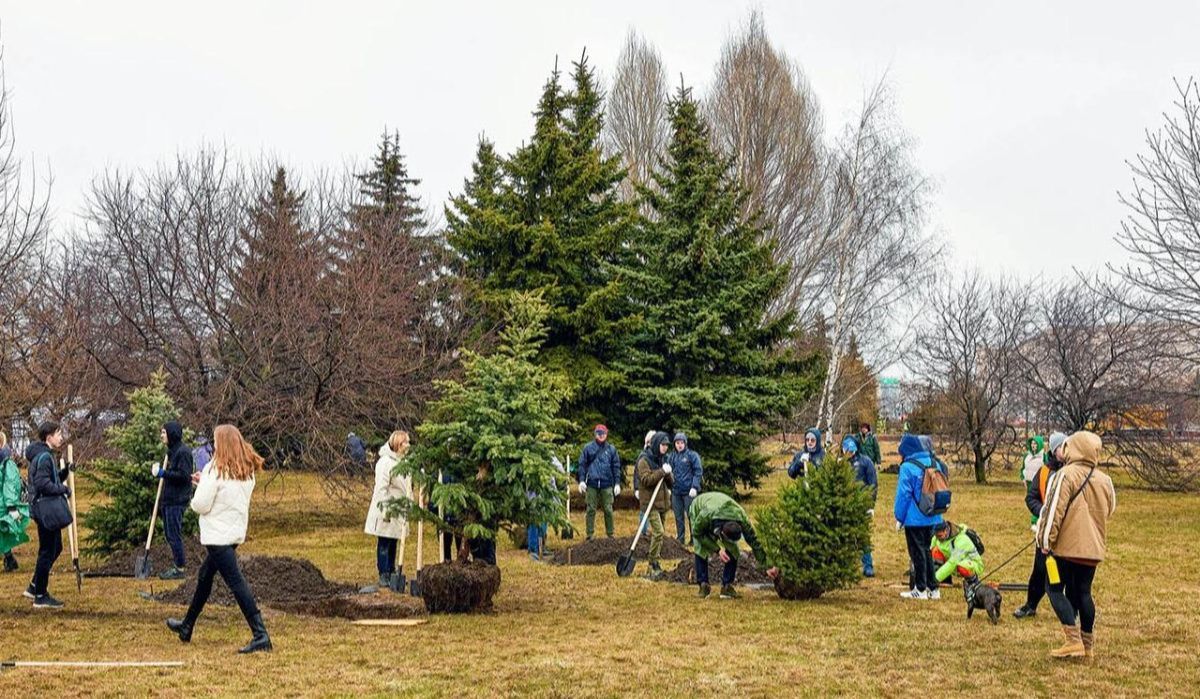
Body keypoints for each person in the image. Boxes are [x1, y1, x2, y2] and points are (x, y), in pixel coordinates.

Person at [166, 424, 271, 654]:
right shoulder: (244, 469)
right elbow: (227, 492)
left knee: (236, 583)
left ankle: (260, 634)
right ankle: (187, 625)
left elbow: (201, 504)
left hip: (217, 536)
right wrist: (203, 480)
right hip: (233, 534)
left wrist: (201, 485)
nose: (212, 445)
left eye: (215, 441)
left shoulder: (215, 469)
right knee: (205, 577)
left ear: (221, 443)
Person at [1035, 430, 1117, 659]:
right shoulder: (1104, 479)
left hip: (1067, 548)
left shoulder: (1065, 475)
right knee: (1083, 593)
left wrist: (1044, 540)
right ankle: (1088, 646)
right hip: (1093, 549)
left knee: (1053, 589)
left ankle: (1072, 640)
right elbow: (1110, 509)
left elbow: (1053, 511)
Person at [1014, 431, 1067, 619]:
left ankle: (1071, 609)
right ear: (1054, 450)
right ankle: (1031, 605)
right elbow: (1031, 497)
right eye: (1062, 446)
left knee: (1068, 573)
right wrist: (1043, 512)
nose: (1066, 449)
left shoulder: (1072, 470)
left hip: (1068, 531)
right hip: (1046, 531)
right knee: (1039, 570)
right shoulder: (1044, 471)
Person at [687, 492, 777, 599]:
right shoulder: (706, 514)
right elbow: (697, 533)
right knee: (700, 548)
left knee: (734, 551)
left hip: (721, 512)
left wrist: (767, 565)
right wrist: (718, 549)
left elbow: (754, 542)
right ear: (722, 533)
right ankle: (703, 585)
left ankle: (726, 587)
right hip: (699, 509)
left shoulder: (742, 518)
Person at [25, 421, 74, 609]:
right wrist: (63, 489)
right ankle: (40, 595)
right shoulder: (45, 457)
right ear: (49, 437)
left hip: (42, 509)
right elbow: (43, 484)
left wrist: (64, 472)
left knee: (56, 547)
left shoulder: (44, 456)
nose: (61, 437)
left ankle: (34, 585)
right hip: (45, 510)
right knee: (47, 550)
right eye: (58, 433)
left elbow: (50, 478)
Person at [893, 433, 943, 600]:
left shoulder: (907, 467)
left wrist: (899, 517)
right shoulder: (934, 462)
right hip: (933, 515)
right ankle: (933, 588)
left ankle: (920, 589)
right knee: (927, 550)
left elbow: (904, 495)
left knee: (917, 552)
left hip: (915, 518)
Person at [364, 430, 412, 587]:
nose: (408, 445)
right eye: (405, 442)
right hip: (387, 509)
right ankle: (383, 573)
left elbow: (407, 487)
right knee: (384, 541)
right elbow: (381, 487)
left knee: (393, 541)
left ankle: (392, 572)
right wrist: (384, 509)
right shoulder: (385, 463)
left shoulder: (404, 463)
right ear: (398, 444)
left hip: (398, 509)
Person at [154, 421, 194, 580]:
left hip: (177, 500)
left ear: (172, 434)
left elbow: (184, 476)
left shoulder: (183, 452)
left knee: (174, 534)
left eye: (164, 432)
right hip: (169, 499)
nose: (161, 435)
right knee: (169, 534)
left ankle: (180, 568)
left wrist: (163, 473)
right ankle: (178, 564)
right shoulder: (172, 451)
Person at [634, 432, 673, 579]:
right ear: (657, 444)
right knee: (659, 532)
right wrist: (661, 471)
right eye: (663, 445)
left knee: (660, 535)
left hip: (662, 501)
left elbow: (671, 483)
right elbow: (646, 480)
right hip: (650, 502)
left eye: (666, 446)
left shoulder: (663, 459)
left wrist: (668, 473)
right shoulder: (644, 460)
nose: (665, 448)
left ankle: (656, 560)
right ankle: (652, 562)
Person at [841, 435, 878, 577]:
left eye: (850, 449)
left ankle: (867, 565)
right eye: (846, 449)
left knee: (862, 535)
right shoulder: (840, 463)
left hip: (862, 505)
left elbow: (873, 484)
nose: (848, 452)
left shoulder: (865, 462)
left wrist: (870, 505)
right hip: (844, 504)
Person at [577, 424, 621, 540]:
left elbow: (616, 466)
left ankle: (610, 534)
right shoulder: (588, 448)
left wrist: (617, 483)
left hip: (607, 483)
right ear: (595, 434)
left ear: (606, 434)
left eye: (603, 433)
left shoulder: (611, 449)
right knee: (591, 508)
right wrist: (581, 480)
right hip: (592, 483)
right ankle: (589, 534)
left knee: (608, 509)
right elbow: (582, 465)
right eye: (599, 433)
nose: (601, 436)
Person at [1, 431, 31, 573]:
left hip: (3, 503)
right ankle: (9, 559)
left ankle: (9, 559)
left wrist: (11, 506)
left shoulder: (7, 463)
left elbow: (10, 485)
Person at [668, 432, 702, 545]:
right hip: (676, 492)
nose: (679, 445)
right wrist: (669, 487)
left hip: (689, 492)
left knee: (692, 516)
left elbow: (698, 471)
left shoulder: (692, 455)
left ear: (685, 443)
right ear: (675, 444)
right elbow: (668, 473)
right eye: (677, 443)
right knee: (678, 517)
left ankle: (694, 539)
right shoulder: (671, 457)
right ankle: (680, 539)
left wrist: (695, 486)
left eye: (681, 442)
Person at [930, 520, 984, 586]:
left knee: (962, 566)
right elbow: (928, 555)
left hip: (972, 565)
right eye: (936, 536)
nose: (937, 538)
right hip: (954, 563)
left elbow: (952, 563)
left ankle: (972, 582)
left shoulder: (962, 540)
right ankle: (945, 581)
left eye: (940, 536)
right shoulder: (936, 537)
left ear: (946, 530)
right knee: (935, 551)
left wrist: (934, 579)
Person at [635, 430, 655, 502]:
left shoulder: (659, 455)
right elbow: (637, 473)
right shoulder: (643, 456)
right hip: (645, 488)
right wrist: (637, 488)